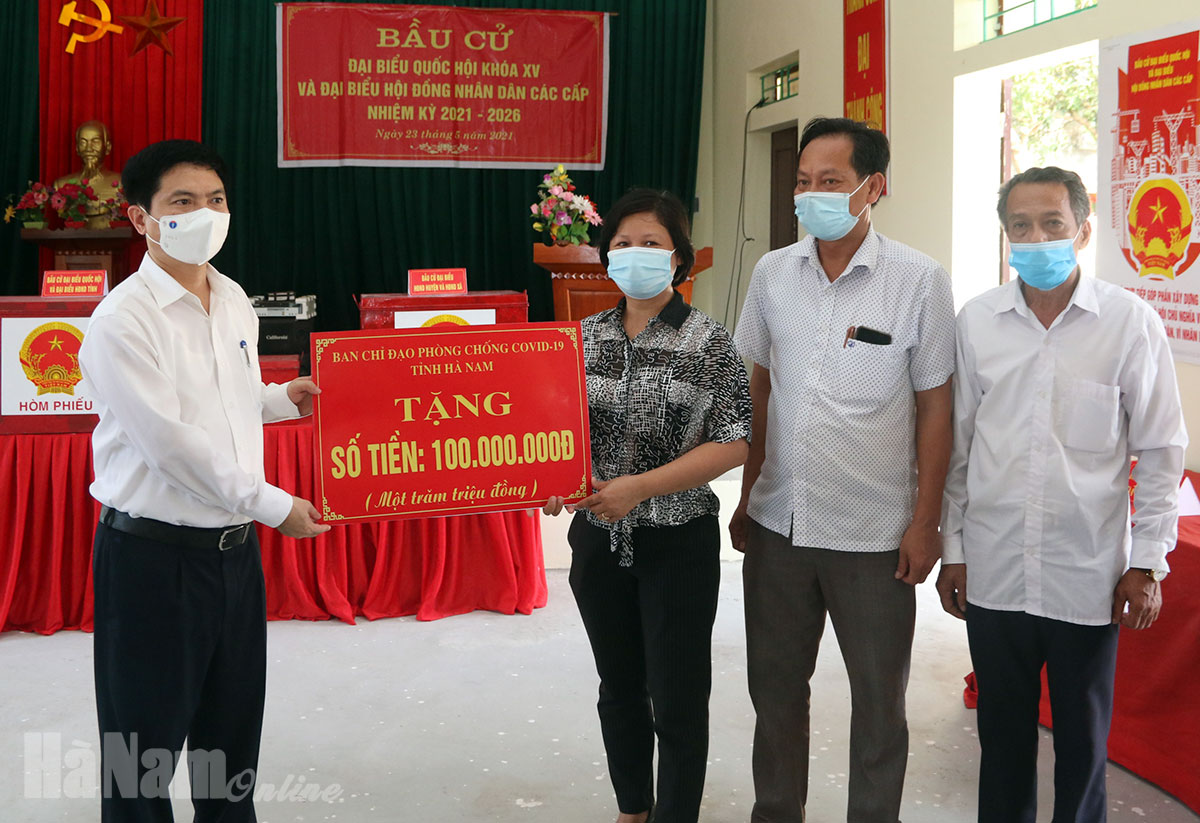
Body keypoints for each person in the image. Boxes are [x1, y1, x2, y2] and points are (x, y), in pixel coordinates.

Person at [78, 139, 331, 822]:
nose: (206, 214)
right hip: (151, 559)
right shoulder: (122, 320)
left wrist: (282, 400)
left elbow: (229, 400)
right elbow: (172, 446)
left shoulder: (232, 297)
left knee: (230, 748)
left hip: (233, 557)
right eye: (183, 202)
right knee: (141, 759)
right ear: (141, 218)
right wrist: (274, 505)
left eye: (216, 200)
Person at [937, 166, 1187, 823]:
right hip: (995, 568)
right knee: (1002, 737)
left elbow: (1162, 450)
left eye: (1052, 223)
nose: (1036, 237)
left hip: (1087, 573)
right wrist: (953, 549)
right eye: (1020, 226)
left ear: (1082, 229)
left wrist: (1148, 562)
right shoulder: (978, 321)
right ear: (1005, 234)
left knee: (1082, 739)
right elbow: (959, 447)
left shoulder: (1129, 323)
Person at [730, 116, 956, 823]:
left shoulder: (918, 281)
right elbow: (759, 387)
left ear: (873, 187)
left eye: (830, 181)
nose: (812, 195)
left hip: (874, 537)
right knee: (774, 694)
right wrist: (747, 494)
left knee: (880, 705)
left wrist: (926, 521)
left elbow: (936, 407)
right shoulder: (773, 274)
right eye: (803, 182)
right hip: (780, 526)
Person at [543, 188, 752, 823]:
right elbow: (553, 432)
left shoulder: (709, 341)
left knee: (679, 697)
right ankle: (633, 807)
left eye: (651, 243)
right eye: (623, 243)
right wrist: (551, 478)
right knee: (619, 688)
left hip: (678, 540)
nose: (636, 254)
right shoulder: (580, 339)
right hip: (598, 542)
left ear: (679, 258)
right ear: (607, 257)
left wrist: (641, 486)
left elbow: (735, 441)